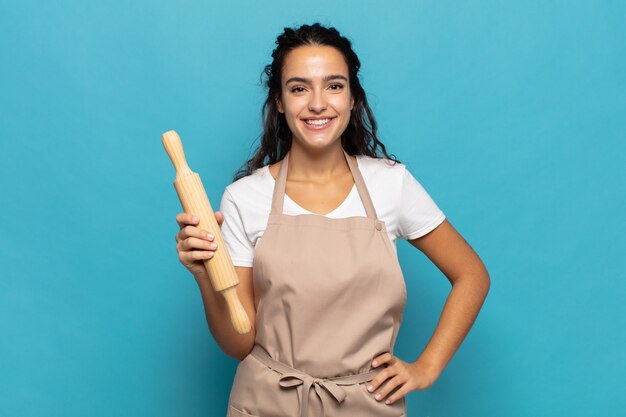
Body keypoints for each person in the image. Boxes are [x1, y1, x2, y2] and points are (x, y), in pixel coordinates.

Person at [174, 23, 490, 417]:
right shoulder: (245, 198)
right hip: (264, 404)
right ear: (279, 101)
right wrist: (205, 275)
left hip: (367, 404)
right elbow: (239, 344)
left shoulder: (391, 184)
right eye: (299, 87)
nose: (318, 103)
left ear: (353, 97)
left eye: (334, 86)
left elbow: (472, 274)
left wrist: (426, 367)